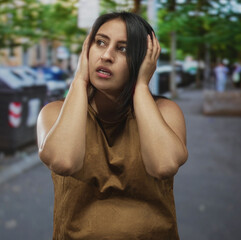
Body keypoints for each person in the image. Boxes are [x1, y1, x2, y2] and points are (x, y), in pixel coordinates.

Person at [36, 12, 188, 239]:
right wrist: (79, 80)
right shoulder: (54, 113)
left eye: (123, 49)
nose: (106, 55)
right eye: (100, 43)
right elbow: (64, 161)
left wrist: (141, 87)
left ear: (142, 61)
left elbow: (163, 166)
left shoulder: (165, 112)